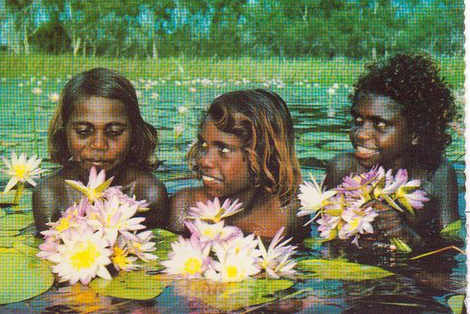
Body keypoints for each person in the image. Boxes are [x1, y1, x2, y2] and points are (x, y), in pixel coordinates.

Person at [324, 53, 459, 249]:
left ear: (415, 133)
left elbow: (452, 245)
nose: (361, 134)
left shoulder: (438, 174)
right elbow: (327, 239)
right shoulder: (343, 168)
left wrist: (409, 237)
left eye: (379, 124)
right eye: (358, 121)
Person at [32, 67, 168, 233]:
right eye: (83, 131)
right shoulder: (50, 193)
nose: (99, 145)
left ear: (135, 133)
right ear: (64, 131)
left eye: (114, 132)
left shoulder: (148, 193)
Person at [168, 89, 308, 241]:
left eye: (224, 149)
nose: (204, 161)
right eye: (203, 144)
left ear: (263, 156)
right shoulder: (186, 205)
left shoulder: (284, 217)